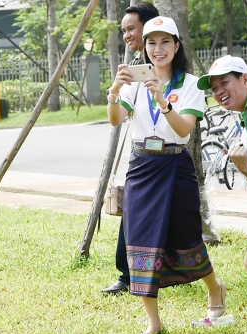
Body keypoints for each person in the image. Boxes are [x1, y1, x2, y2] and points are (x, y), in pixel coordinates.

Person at [107, 16, 226, 334]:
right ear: (144, 48)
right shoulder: (133, 82)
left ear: (176, 45)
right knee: (140, 241)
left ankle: (215, 288)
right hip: (142, 166)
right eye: (151, 43)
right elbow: (116, 119)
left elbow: (184, 129)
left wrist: (162, 99)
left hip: (175, 167)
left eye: (164, 42)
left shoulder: (190, 84)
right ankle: (154, 322)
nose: (157, 50)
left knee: (187, 236)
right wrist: (116, 91)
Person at [101, 2, 160, 296]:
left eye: (130, 29)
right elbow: (116, 118)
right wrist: (114, 91)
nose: (126, 35)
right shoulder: (134, 69)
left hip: (173, 156)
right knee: (133, 215)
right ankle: (127, 276)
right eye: (123, 30)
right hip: (142, 157)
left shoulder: (173, 67)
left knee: (178, 221)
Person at [198, 57, 247, 285]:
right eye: (214, 88)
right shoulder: (245, 124)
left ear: (244, 79)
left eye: (224, 83)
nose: (219, 91)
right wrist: (243, 168)